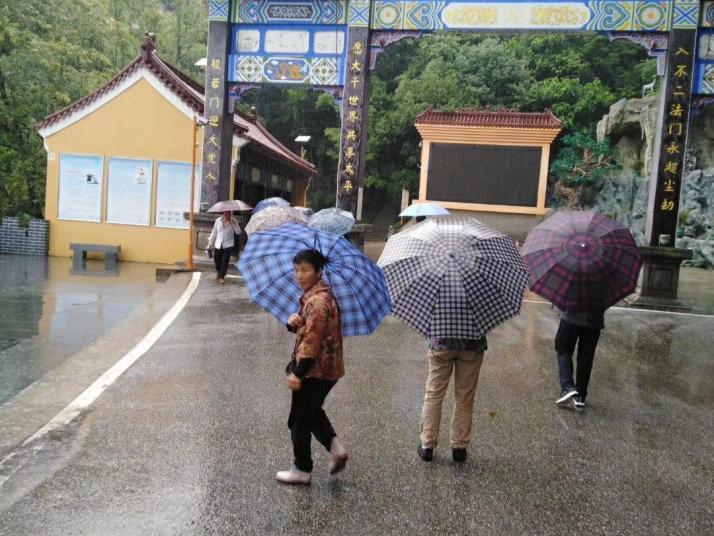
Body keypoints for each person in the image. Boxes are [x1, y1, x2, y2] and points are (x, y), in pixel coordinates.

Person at [276, 249, 347, 485]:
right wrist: (293, 322)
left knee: (298, 419)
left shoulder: (317, 301)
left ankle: (302, 469)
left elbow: (312, 341)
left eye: (305, 270)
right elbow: (309, 328)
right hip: (328, 369)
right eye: (296, 270)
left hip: (315, 370)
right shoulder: (317, 296)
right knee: (311, 411)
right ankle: (336, 449)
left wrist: (298, 373)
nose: (299, 275)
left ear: (318, 271)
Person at [417, 336, 487, 463]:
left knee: (434, 395)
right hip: (471, 345)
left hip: (441, 343)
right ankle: (459, 448)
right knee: (465, 398)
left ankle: (427, 445)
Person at [554, 308, 606, 411]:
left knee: (563, 349)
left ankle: (567, 387)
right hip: (594, 320)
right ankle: (580, 396)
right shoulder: (604, 291)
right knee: (586, 356)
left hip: (571, 316)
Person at [206, 211, 240, 284]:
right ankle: (219, 272)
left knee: (225, 261)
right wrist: (210, 243)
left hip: (228, 244)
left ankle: (222, 277)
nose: (227, 215)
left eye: (229, 214)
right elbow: (214, 232)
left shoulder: (234, 222)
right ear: (224, 213)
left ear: (231, 214)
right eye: (226, 213)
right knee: (217, 260)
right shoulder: (218, 220)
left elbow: (238, 232)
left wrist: (236, 224)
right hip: (218, 244)